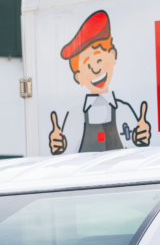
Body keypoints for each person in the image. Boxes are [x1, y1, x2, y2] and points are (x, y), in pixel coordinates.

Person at [49, 10, 152, 154]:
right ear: (78, 77)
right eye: (88, 65)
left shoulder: (124, 110)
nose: (96, 69)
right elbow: (67, 155)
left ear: (113, 56)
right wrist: (60, 147)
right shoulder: (74, 116)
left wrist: (140, 139)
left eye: (99, 60)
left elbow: (137, 148)